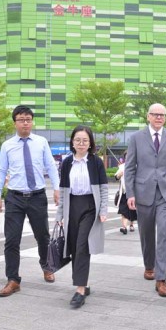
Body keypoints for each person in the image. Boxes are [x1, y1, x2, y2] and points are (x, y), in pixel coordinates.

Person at [0, 105, 61, 297]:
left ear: (32, 122)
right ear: (15, 122)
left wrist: (57, 189)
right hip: (14, 197)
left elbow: (50, 166)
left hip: (37, 196)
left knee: (43, 237)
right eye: (21, 119)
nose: (25, 122)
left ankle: (46, 265)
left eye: (28, 119)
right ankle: (13, 279)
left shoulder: (41, 142)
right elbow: (0, 170)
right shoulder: (7, 145)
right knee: (12, 240)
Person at [125, 103, 166, 297]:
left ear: (165, 118)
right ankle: (149, 265)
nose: (158, 118)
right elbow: (130, 168)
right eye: (155, 115)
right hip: (143, 192)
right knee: (146, 232)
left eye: (162, 115)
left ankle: (162, 278)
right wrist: (130, 194)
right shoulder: (136, 138)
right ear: (147, 116)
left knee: (164, 231)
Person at [55, 126, 108, 308]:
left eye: (85, 140)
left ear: (90, 142)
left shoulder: (95, 162)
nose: (81, 143)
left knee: (82, 246)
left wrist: (103, 211)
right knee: (74, 248)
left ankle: (79, 289)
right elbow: (63, 192)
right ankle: (83, 283)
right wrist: (60, 214)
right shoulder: (67, 163)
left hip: (90, 208)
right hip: (72, 207)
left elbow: (103, 189)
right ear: (72, 142)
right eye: (77, 140)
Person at [114, 152, 136, 235]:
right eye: (127, 156)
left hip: (134, 193)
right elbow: (116, 177)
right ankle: (124, 227)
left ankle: (131, 224)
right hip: (123, 192)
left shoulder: (136, 166)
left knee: (132, 210)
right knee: (123, 210)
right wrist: (120, 174)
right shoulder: (122, 167)